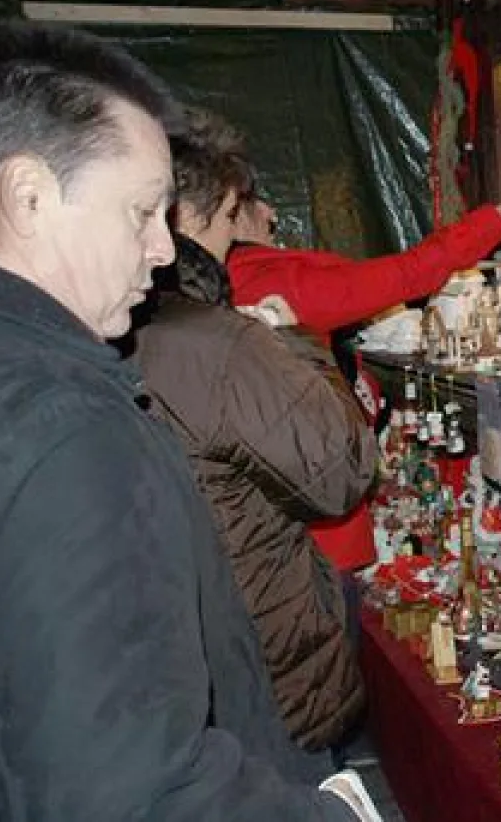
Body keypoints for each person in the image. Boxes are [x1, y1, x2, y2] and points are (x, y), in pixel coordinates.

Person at [0, 21, 375, 819]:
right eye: (141, 213)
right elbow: (126, 789)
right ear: (29, 196)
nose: (164, 252)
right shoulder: (65, 428)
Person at [129, 110, 378, 760]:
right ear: (201, 213)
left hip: (181, 648)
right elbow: (340, 470)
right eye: (238, 203)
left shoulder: (125, 319)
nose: (254, 220)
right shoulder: (218, 339)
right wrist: (295, 345)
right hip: (258, 653)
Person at [223, 115, 501, 575]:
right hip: (312, 541)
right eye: (260, 202)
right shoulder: (272, 284)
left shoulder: (226, 286)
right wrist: (498, 218)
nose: (273, 215)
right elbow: (407, 274)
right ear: (227, 209)